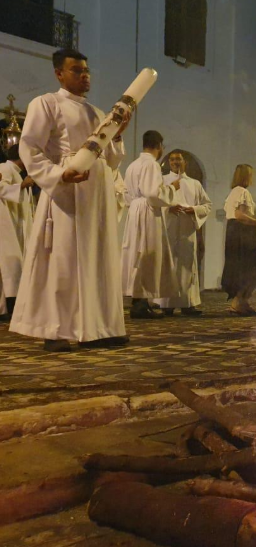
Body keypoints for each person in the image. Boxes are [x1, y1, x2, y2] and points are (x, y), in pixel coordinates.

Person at [10, 48, 130, 352]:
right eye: (76, 70)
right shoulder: (46, 103)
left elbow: (111, 159)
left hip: (96, 193)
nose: (84, 75)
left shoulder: (97, 112)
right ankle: (58, 328)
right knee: (64, 259)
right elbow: (30, 148)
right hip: (67, 191)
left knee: (99, 257)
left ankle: (101, 326)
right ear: (59, 74)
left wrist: (116, 135)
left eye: (86, 70)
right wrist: (57, 174)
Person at [121, 130, 180, 319]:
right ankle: (140, 302)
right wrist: (172, 188)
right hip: (147, 211)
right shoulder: (152, 165)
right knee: (147, 254)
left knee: (137, 253)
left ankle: (139, 300)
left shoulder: (132, 165)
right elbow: (154, 193)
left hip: (135, 209)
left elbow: (127, 193)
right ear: (159, 146)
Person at [153, 149, 212, 316]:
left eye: (178, 159)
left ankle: (188, 304)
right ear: (168, 163)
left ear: (185, 162)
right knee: (169, 264)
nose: (175, 162)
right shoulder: (163, 182)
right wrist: (168, 208)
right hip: (169, 228)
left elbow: (207, 205)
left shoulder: (195, 184)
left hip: (187, 230)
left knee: (187, 266)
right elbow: (155, 202)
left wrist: (193, 209)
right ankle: (167, 303)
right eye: (172, 160)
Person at [222, 164, 256, 315]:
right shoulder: (242, 192)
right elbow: (239, 215)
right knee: (247, 266)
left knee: (240, 266)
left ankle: (242, 302)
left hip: (234, 232)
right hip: (242, 234)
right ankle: (239, 302)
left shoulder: (233, 193)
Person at [0, 145, 35, 318]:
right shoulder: (4, 168)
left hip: (15, 224)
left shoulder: (13, 171)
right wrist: (22, 185)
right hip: (6, 224)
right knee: (9, 264)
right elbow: (1, 188)